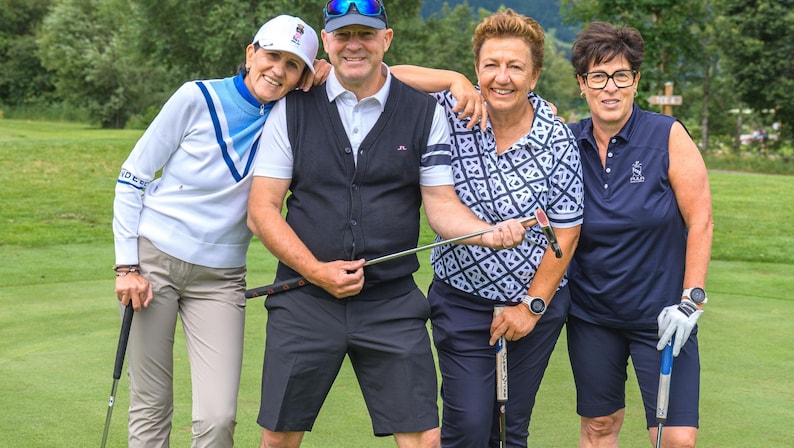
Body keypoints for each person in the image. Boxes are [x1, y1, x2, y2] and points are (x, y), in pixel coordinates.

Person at [245, 1, 529, 447]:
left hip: (391, 302)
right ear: (327, 42)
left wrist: (486, 233)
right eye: (343, 35)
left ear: (386, 40)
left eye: (366, 34)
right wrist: (317, 271)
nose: (354, 45)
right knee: (279, 437)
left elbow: (440, 204)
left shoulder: (423, 112)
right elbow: (262, 210)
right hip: (303, 297)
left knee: (423, 439)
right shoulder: (293, 108)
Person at [112, 15, 322, 447]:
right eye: (272, 56)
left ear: (304, 76)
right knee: (151, 406)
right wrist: (126, 266)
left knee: (219, 416)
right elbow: (132, 176)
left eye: (293, 65)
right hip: (153, 264)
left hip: (221, 278)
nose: (278, 70)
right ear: (251, 53)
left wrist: (454, 81)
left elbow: (382, 76)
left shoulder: (293, 113)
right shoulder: (196, 96)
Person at [392, 9, 584, 447]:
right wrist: (451, 80)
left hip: (534, 306)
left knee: (509, 430)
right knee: (468, 428)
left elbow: (566, 233)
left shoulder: (556, 138)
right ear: (478, 69)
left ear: (534, 76)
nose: (502, 77)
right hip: (460, 300)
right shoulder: (452, 109)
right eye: (491, 65)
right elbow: (384, 79)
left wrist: (530, 307)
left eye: (515, 66)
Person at [566, 21, 713, 448]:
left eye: (620, 75)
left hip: (665, 319)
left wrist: (693, 300)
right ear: (582, 84)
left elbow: (700, 220)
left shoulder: (668, 136)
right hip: (592, 317)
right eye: (598, 76)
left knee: (675, 438)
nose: (609, 87)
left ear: (636, 81)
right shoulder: (566, 141)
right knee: (598, 427)